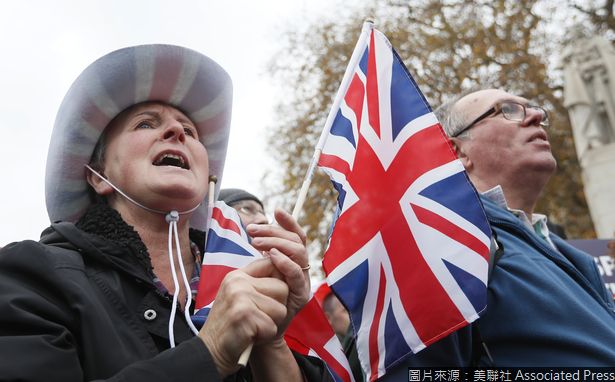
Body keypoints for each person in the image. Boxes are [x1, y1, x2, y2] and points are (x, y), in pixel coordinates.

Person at [0, 44, 331, 381]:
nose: (176, 133)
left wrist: (270, 342)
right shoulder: (33, 276)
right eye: (145, 124)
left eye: (189, 131)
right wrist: (211, 352)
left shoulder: (246, 279)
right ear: (97, 176)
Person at [382, 88, 615, 374]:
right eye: (508, 110)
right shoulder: (440, 244)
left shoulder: (579, 260)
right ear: (456, 152)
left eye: (535, 109)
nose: (538, 116)